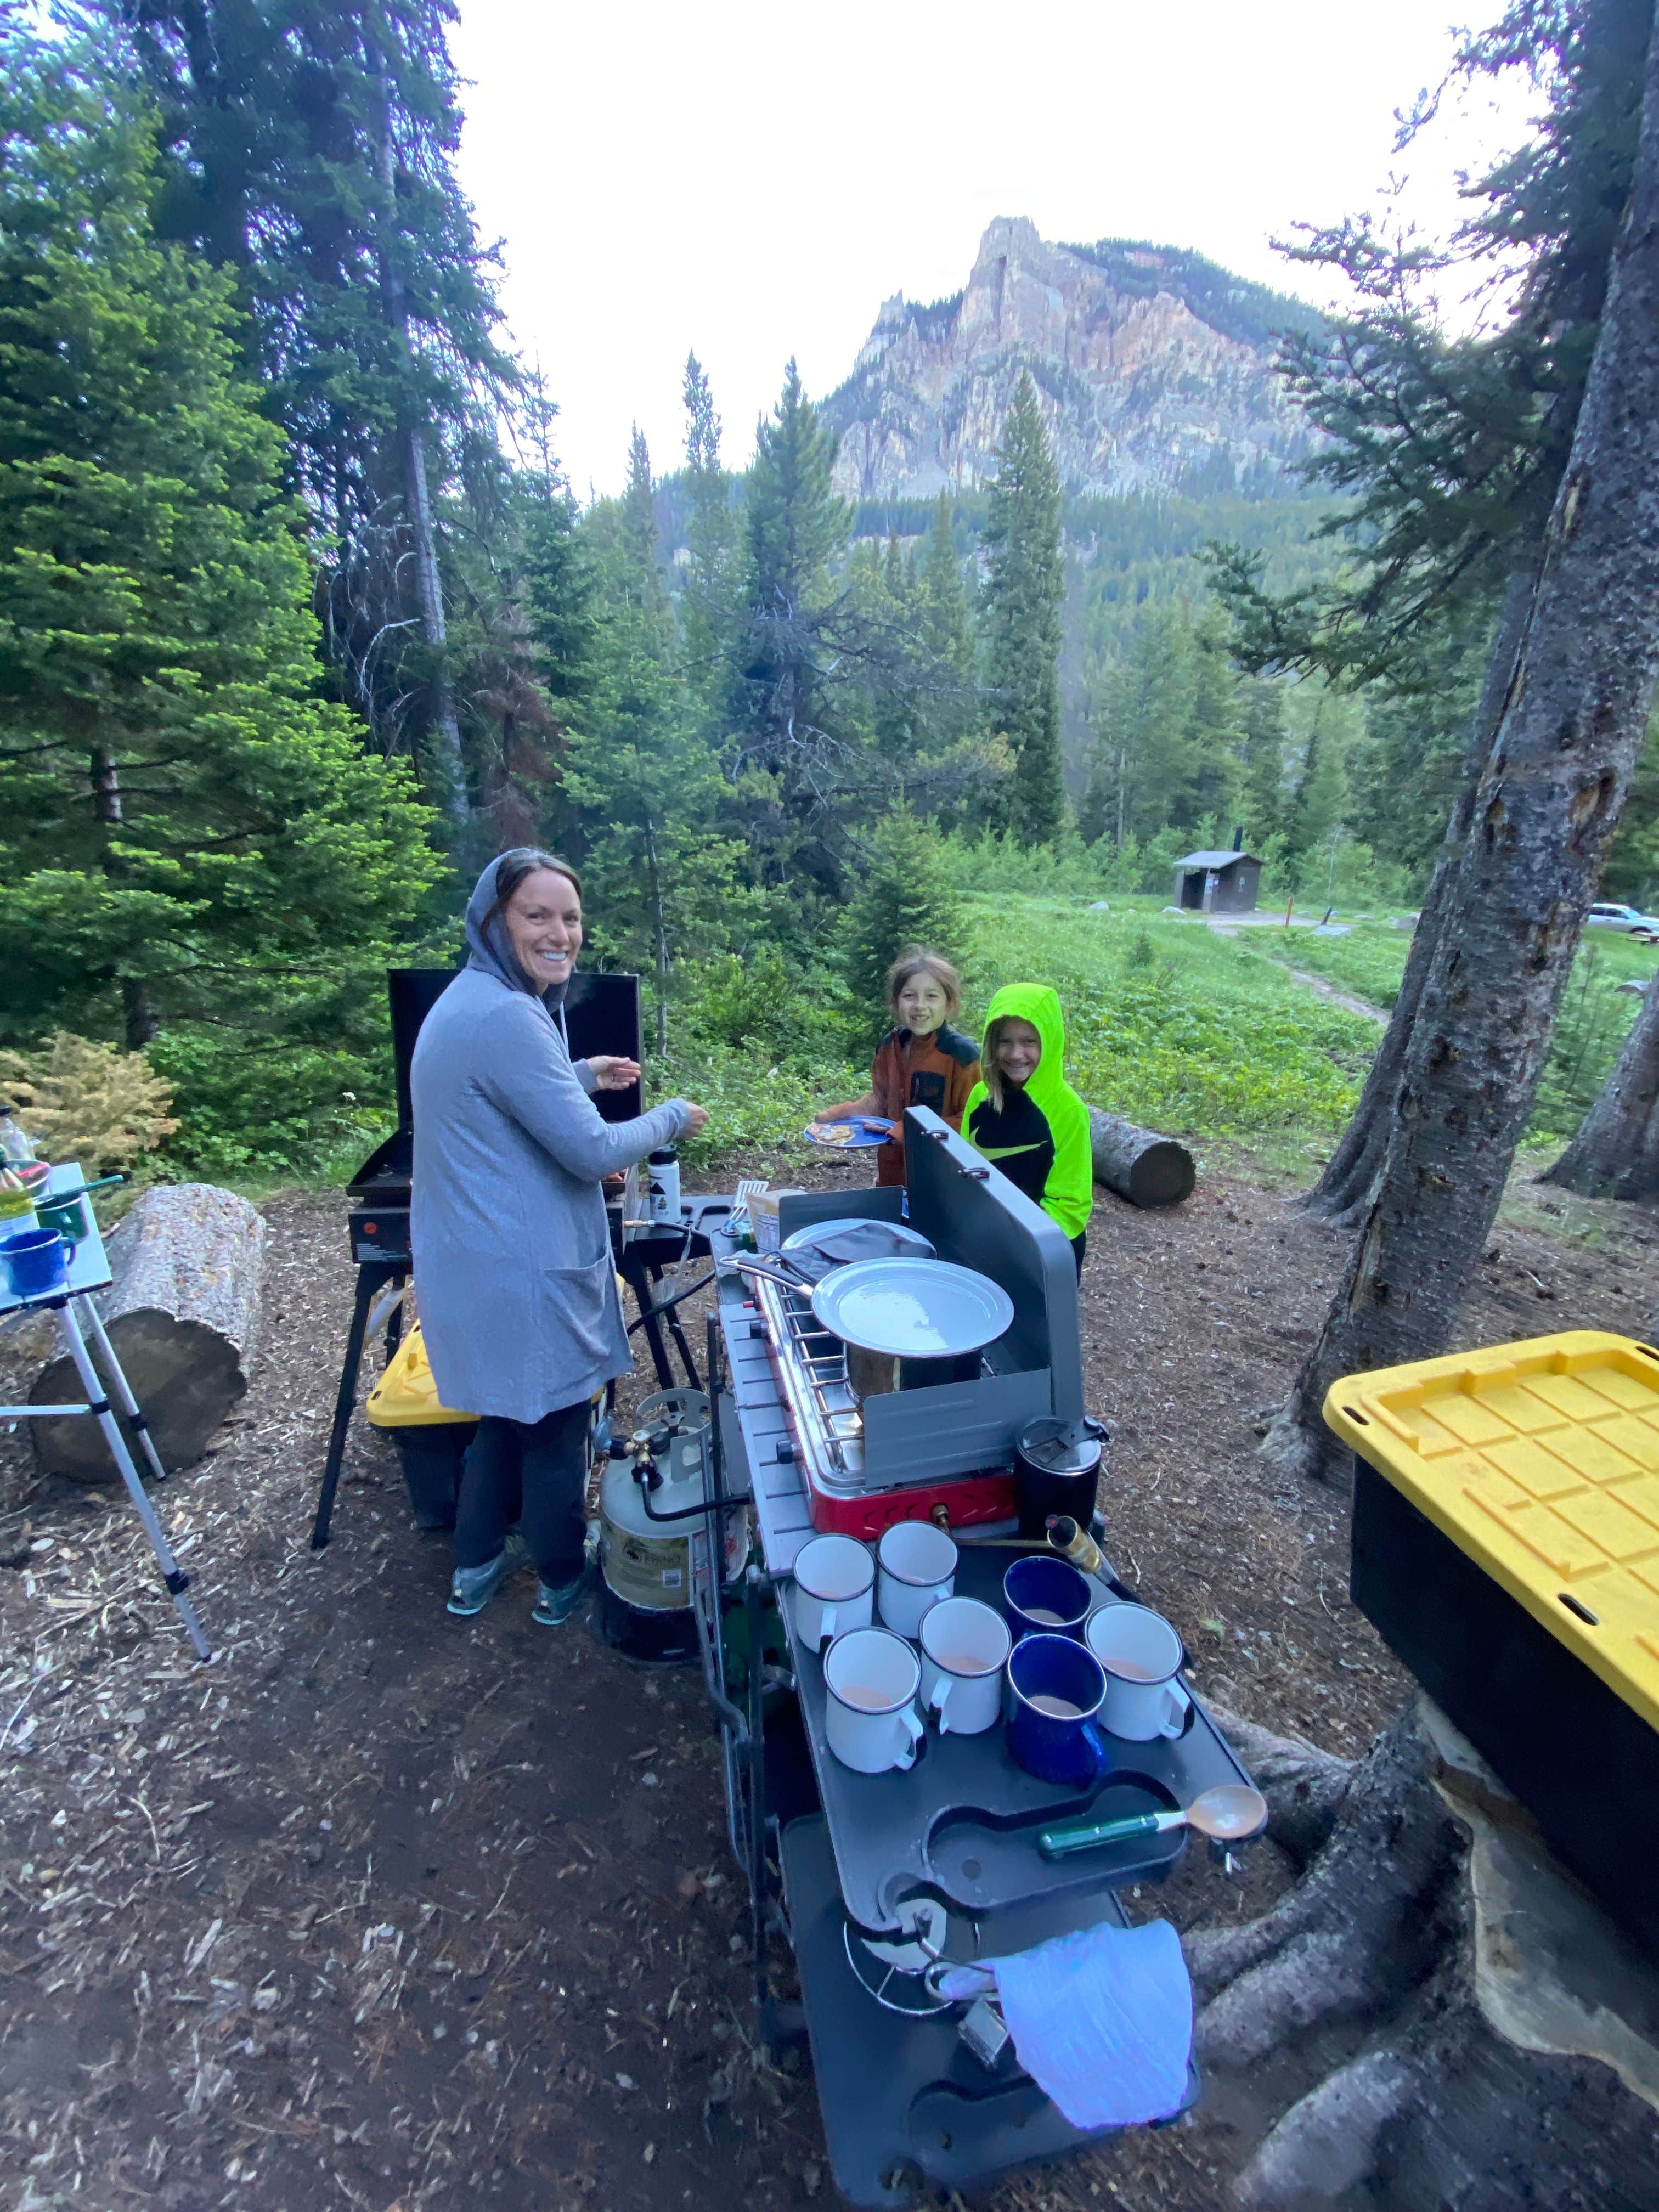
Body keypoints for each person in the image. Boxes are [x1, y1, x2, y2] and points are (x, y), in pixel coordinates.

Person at [410, 849, 708, 1626]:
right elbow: (594, 1152)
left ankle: (473, 1571)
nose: (559, 933)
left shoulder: (468, 1001)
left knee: (502, 1423)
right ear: (493, 922)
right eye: (536, 915)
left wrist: (575, 1073)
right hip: (522, 1273)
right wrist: (671, 1115)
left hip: (470, 1270)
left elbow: (500, 1093)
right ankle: (561, 1580)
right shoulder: (509, 1014)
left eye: (569, 917)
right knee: (553, 1430)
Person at [812, 947, 980, 1187]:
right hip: (892, 1174)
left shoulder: (961, 1056)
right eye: (909, 996)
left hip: (942, 1180)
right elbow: (880, 1100)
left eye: (931, 996)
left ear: (949, 1004)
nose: (919, 1005)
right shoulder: (890, 1046)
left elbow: (970, 1121)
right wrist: (838, 1116)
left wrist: (910, 1130)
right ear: (896, 1002)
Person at [963, 983, 1092, 1277]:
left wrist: (1017, 1242)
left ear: (1050, 1041)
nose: (1016, 1053)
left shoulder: (1068, 1111)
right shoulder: (980, 1096)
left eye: (1029, 1041)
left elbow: (1070, 1206)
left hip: (1042, 1252)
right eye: (1005, 1041)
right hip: (987, 1242)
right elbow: (966, 1170)